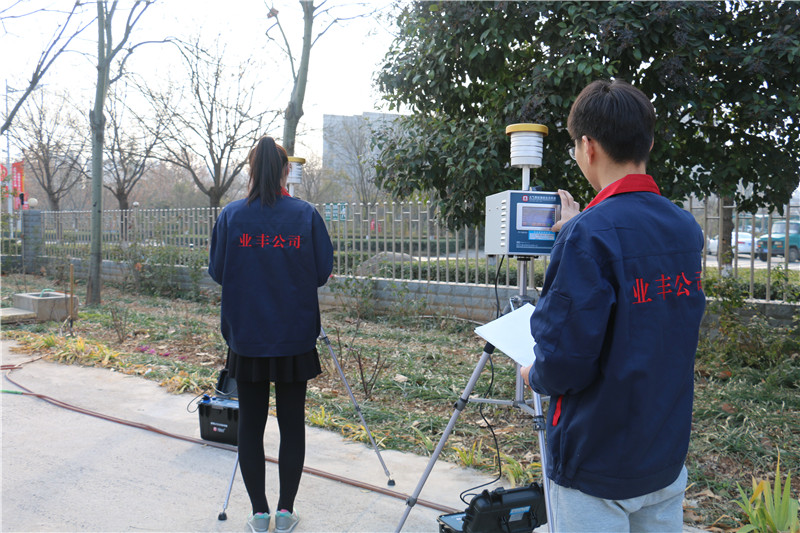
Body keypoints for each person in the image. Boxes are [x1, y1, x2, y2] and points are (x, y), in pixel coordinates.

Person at [520, 79, 706, 532]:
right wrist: (578, 226)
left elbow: (564, 362)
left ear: (587, 146)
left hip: (597, 461)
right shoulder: (684, 227)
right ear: (649, 142)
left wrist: (533, 375)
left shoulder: (588, 234)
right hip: (663, 454)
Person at [208, 136, 334, 533]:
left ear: (249, 170)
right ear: (285, 171)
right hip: (293, 336)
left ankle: (259, 515)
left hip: (248, 337)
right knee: (292, 423)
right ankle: (285, 512)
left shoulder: (231, 216)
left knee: (251, 425)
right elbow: (321, 273)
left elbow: (217, 271)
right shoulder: (305, 215)